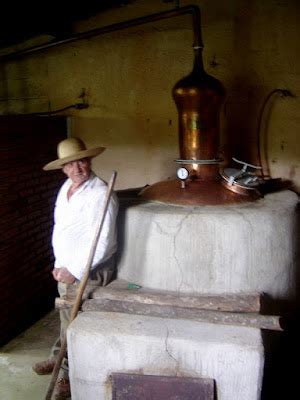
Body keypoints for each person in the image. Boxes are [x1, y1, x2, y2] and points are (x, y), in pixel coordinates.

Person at [32, 137, 119, 399]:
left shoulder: (101, 194)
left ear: (90, 160)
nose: (77, 167)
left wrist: (76, 270)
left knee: (78, 323)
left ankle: (69, 375)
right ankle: (58, 357)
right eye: (71, 164)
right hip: (67, 269)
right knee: (65, 318)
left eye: (82, 160)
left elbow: (105, 243)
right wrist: (60, 265)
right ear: (63, 168)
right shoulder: (66, 188)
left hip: (89, 271)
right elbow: (61, 230)